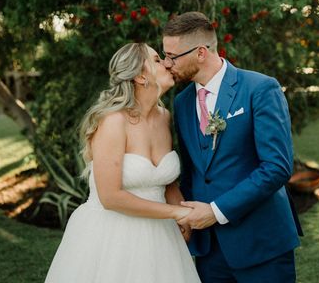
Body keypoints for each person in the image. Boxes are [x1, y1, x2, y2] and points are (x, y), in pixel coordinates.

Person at [162, 11, 303, 283]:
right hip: (209, 249)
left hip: (261, 242)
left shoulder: (260, 88)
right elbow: (194, 169)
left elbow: (277, 167)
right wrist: (184, 215)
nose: (167, 64)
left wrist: (215, 211)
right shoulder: (181, 102)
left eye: (172, 56)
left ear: (201, 52)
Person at [44, 42, 201, 283]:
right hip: (112, 237)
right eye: (157, 60)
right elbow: (111, 197)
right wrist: (175, 212)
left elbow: (164, 180)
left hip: (161, 236)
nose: (167, 63)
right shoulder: (112, 121)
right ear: (140, 76)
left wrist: (184, 214)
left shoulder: (164, 117)